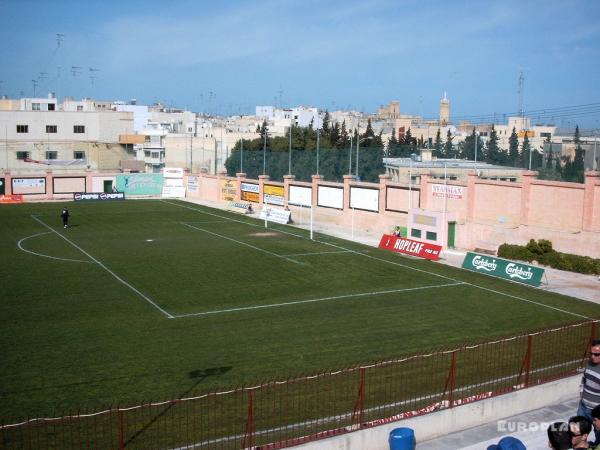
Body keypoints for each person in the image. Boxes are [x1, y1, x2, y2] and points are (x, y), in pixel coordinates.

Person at [580, 340, 600, 421]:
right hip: (583, 406)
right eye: (591, 353)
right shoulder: (589, 363)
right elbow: (584, 380)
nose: (592, 356)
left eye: (596, 354)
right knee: (577, 432)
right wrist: (582, 397)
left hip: (597, 412)